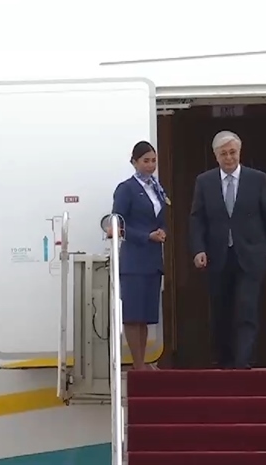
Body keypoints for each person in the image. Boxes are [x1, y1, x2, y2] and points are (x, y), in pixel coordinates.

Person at [189, 130, 266, 369]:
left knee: (247, 307)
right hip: (218, 255)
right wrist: (198, 249)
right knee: (221, 309)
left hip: (251, 254)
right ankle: (224, 360)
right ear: (216, 156)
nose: (229, 158)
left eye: (233, 152)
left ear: (240, 152)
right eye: (224, 154)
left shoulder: (257, 179)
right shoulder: (205, 181)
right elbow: (197, 218)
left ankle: (243, 361)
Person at [110, 141, 169, 371]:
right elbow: (117, 224)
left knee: (145, 316)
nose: (150, 165)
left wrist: (162, 231)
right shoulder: (126, 188)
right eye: (146, 161)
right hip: (134, 260)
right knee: (133, 315)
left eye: (153, 161)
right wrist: (146, 236)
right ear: (134, 162)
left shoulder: (156, 188)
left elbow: (159, 217)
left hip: (152, 260)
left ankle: (142, 361)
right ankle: (137, 364)